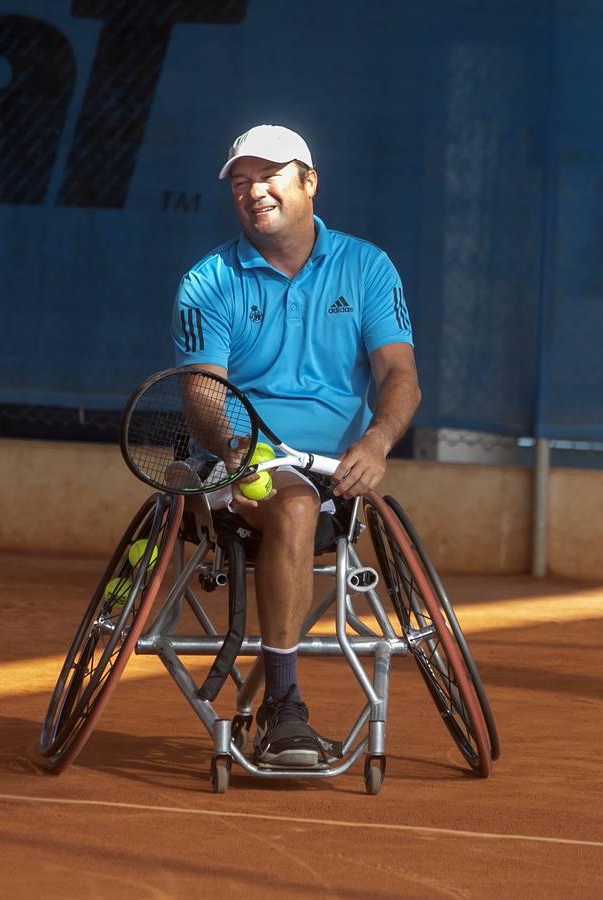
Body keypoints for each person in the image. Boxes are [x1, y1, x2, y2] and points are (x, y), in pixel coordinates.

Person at [172, 124, 420, 768]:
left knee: (307, 501)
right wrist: (235, 442)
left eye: (270, 175)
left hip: (337, 471)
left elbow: (399, 376)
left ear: (310, 182)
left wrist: (377, 440)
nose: (255, 191)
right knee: (292, 504)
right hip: (241, 462)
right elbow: (204, 392)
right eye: (240, 181)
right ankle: (285, 709)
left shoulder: (367, 267)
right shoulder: (207, 281)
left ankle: (279, 699)